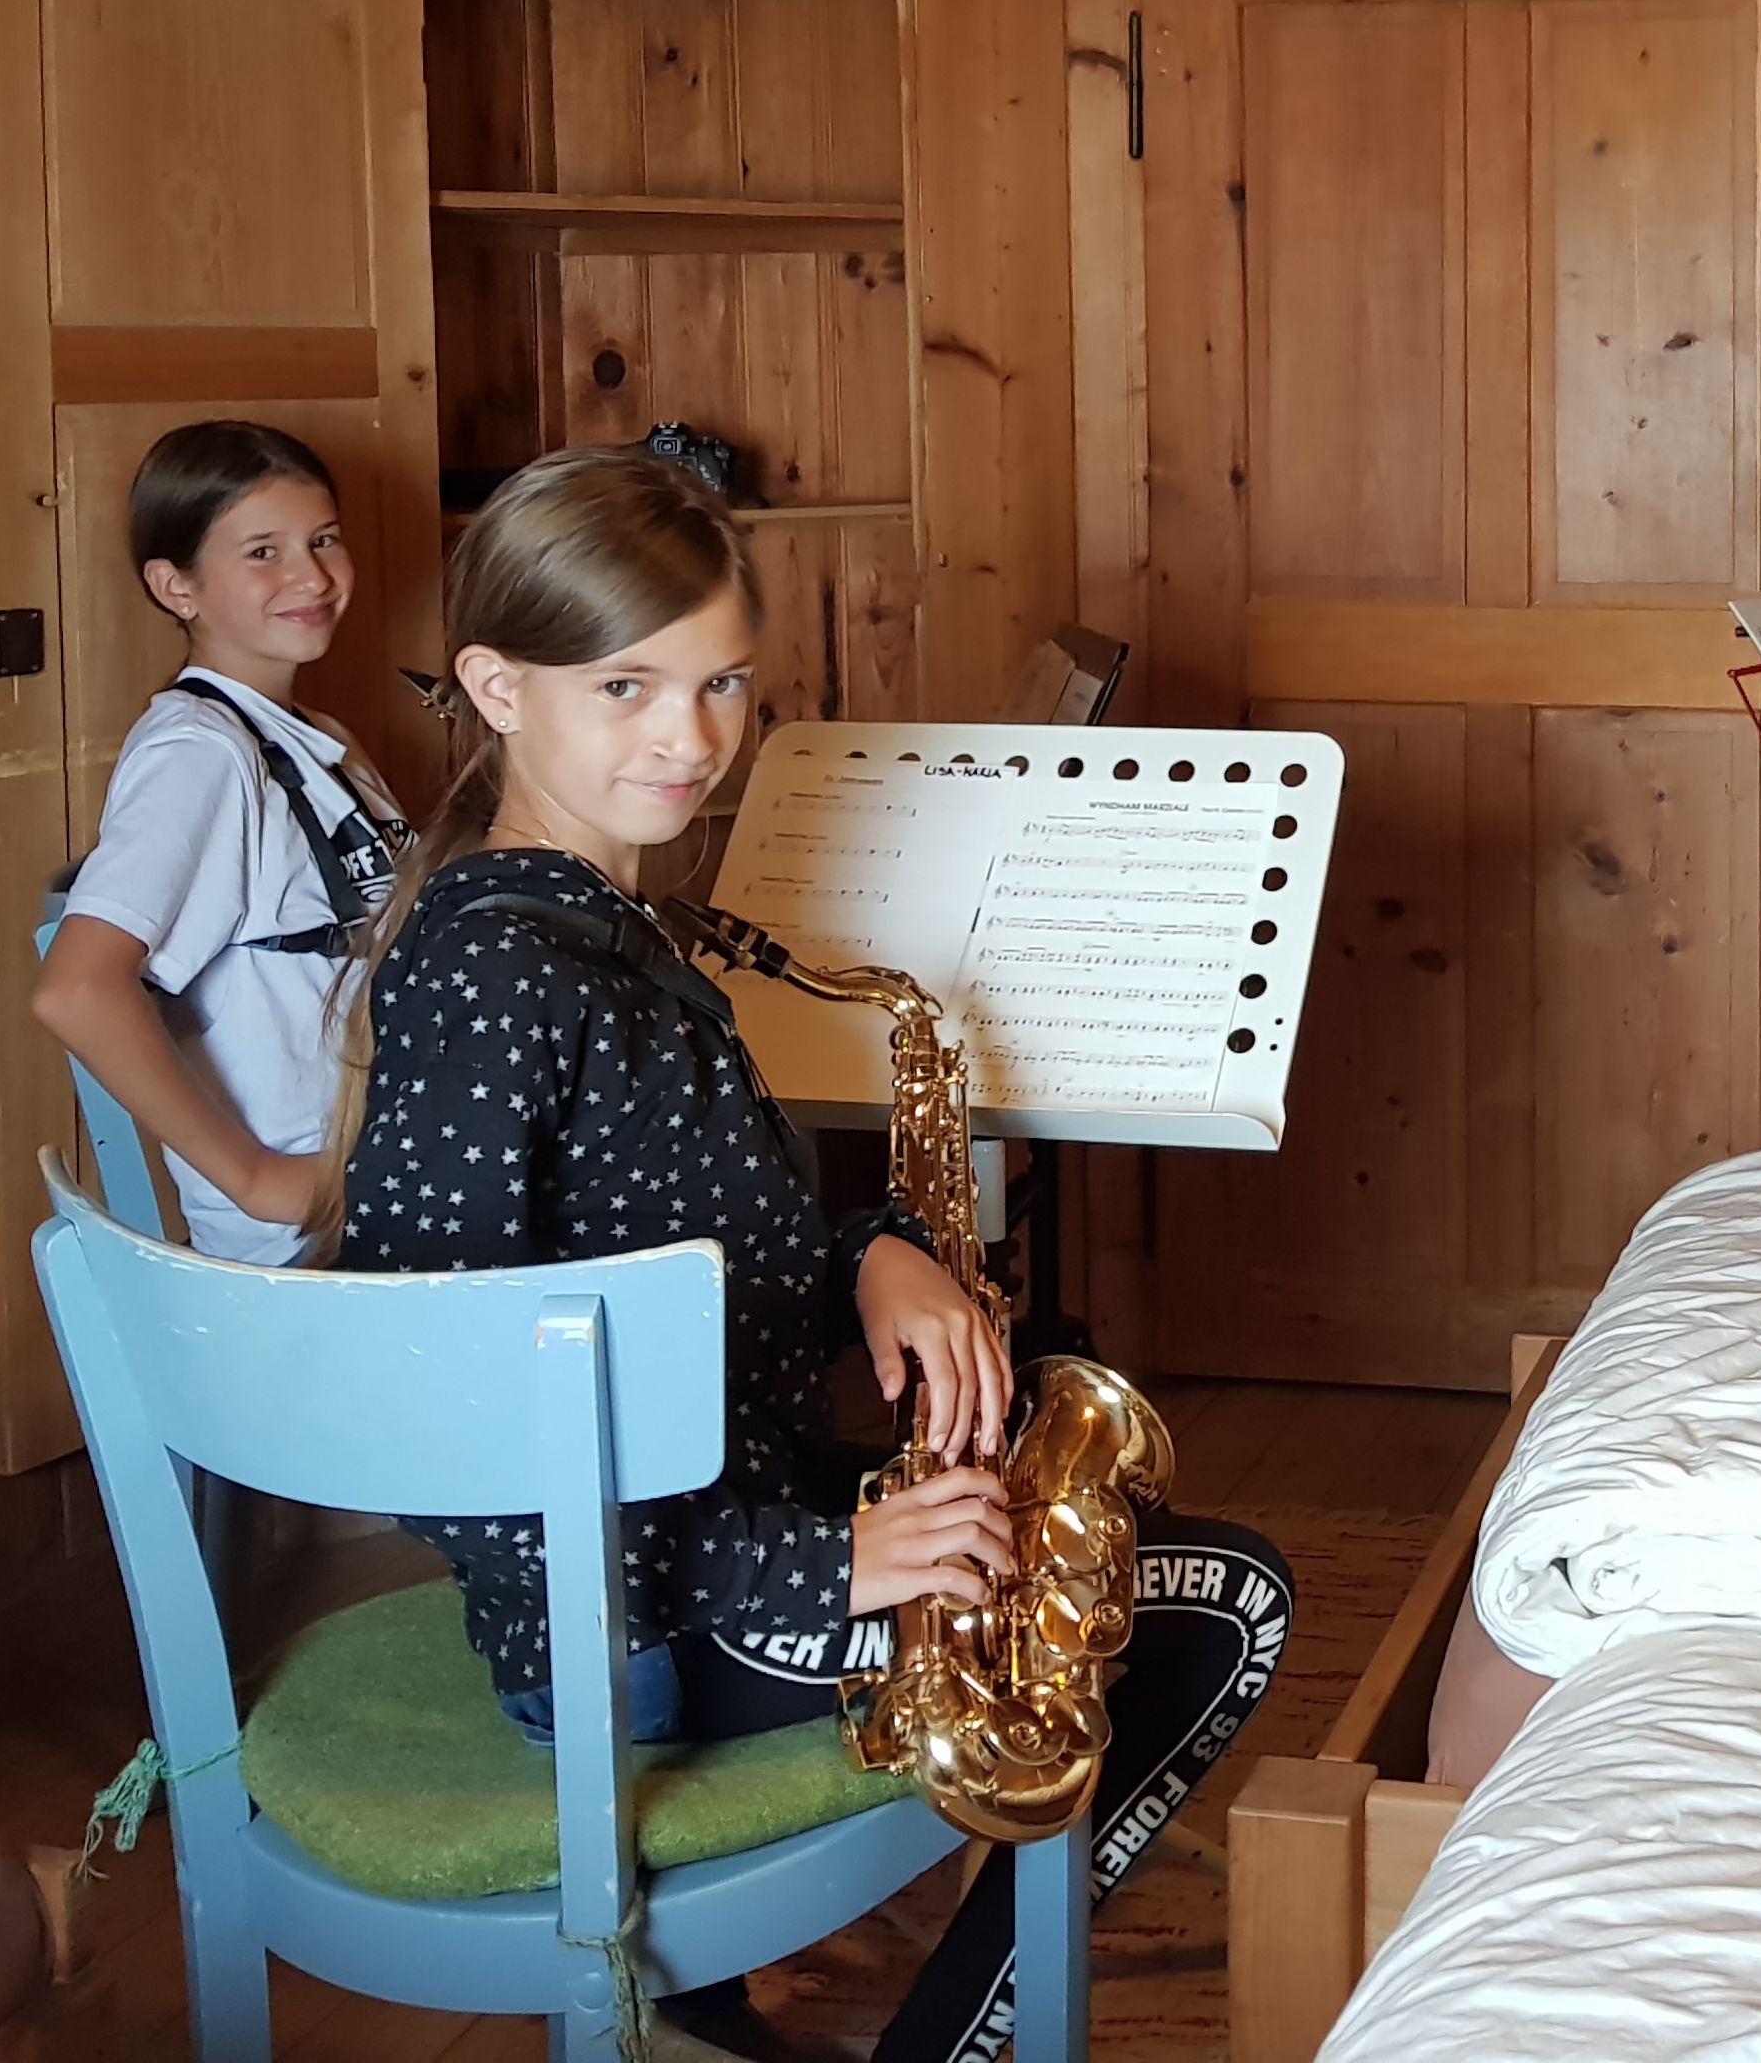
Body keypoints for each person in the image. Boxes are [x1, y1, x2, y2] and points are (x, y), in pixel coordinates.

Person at [334, 446, 1285, 2063]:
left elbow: (687, 1241)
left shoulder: (609, 927)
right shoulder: (501, 973)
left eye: (721, 681)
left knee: (1097, 1518)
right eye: (625, 685)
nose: (689, 736)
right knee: (1228, 1601)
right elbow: (429, 1403)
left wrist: (872, 1256)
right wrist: (825, 1568)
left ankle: (713, 2015)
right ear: (495, 686)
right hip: (639, 1619)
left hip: (720, 1526)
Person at [31, 421, 410, 1262]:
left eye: (324, 540)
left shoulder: (318, 739)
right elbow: (78, 989)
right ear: (177, 587)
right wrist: (256, 1179)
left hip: (387, 1184)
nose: (311, 576)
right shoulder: (200, 754)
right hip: (309, 1247)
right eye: (263, 552)